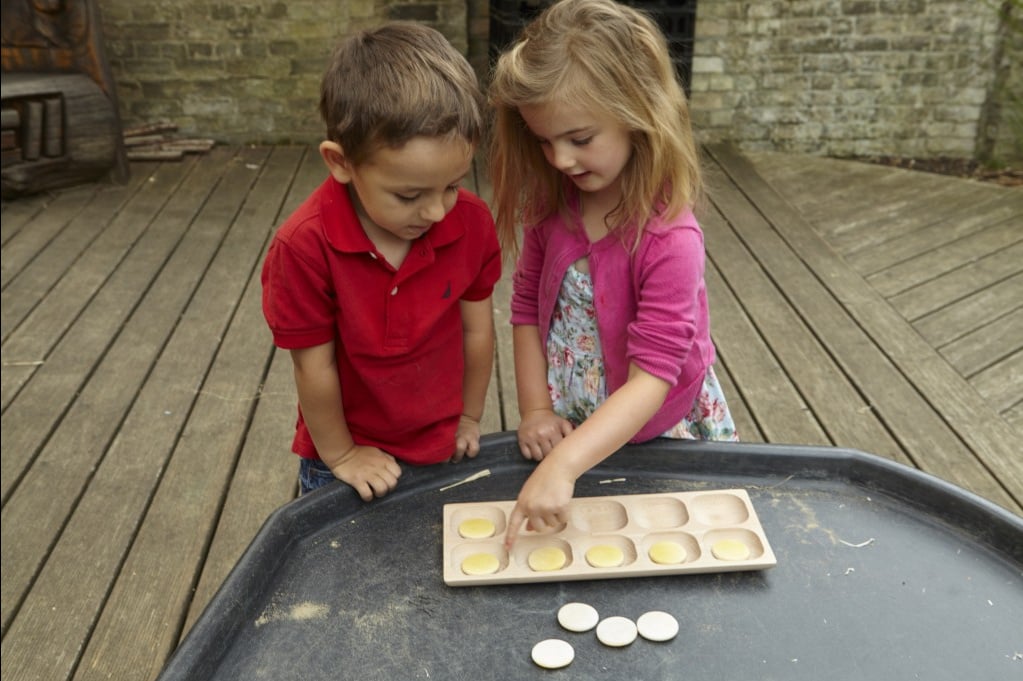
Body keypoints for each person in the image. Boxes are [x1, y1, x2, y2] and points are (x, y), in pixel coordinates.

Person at [488, 0, 738, 547]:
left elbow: (654, 373)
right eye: (544, 141)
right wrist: (534, 409)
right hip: (573, 413)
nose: (559, 160)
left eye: (579, 139)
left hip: (657, 423)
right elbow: (527, 307)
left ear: (637, 114)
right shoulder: (552, 208)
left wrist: (563, 465)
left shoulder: (671, 240)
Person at [261, 22, 501, 502]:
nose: (436, 212)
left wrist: (470, 416)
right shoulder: (303, 248)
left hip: (443, 441)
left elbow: (478, 330)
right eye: (409, 194)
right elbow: (315, 368)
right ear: (341, 162)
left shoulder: (470, 223)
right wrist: (344, 456)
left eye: (453, 184)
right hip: (345, 458)